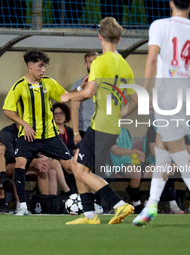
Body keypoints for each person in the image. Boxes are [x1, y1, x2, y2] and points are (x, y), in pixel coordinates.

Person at [133, 0, 190, 228]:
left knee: (176, 150)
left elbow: (152, 59)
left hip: (166, 94)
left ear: (171, 3)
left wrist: (146, 90)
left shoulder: (159, 25)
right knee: (162, 150)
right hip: (183, 93)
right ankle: (151, 205)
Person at [61, 17, 137, 225]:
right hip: (111, 127)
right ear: (119, 40)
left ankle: (118, 204)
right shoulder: (124, 65)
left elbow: (89, 92)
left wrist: (69, 96)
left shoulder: (100, 62)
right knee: (79, 167)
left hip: (100, 125)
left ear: (100, 37)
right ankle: (89, 216)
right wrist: (117, 115)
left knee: (81, 170)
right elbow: (135, 101)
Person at [3, 49, 72, 216]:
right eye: (40, 66)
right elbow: (8, 110)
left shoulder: (49, 83)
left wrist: (81, 90)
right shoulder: (19, 86)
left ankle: (87, 200)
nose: (44, 70)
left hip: (49, 135)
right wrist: (24, 124)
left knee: (70, 167)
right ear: (30, 66)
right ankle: (23, 207)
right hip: (28, 136)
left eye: (45, 67)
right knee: (20, 164)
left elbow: (65, 97)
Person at [141, 125, 184, 214]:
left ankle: (149, 203)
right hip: (150, 163)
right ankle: (172, 204)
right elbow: (153, 152)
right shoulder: (153, 129)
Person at [109, 127, 146, 213]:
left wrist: (138, 156)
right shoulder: (108, 130)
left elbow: (130, 148)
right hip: (115, 162)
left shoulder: (125, 130)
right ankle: (137, 204)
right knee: (136, 172)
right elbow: (116, 151)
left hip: (128, 161)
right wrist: (136, 151)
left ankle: (144, 199)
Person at [70, 51, 98, 145]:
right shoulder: (78, 84)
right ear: (86, 64)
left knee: (102, 159)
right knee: (85, 159)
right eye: (91, 62)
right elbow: (74, 110)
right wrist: (76, 133)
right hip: (85, 130)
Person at [53, 103, 77, 194]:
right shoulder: (50, 131)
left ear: (66, 115)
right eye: (56, 114)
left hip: (70, 159)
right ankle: (71, 193)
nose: (59, 116)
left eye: (61, 113)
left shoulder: (71, 131)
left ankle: (83, 194)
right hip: (57, 159)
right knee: (69, 166)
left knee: (80, 166)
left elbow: (75, 149)